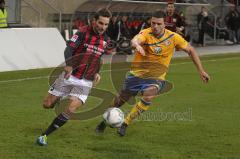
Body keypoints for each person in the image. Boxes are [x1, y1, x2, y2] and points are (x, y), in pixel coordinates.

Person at [95, 10, 210, 137]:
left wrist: (201, 70)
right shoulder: (146, 33)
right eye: (153, 23)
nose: (155, 26)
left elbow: (190, 50)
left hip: (156, 77)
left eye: (158, 24)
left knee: (149, 95)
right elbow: (136, 39)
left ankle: (125, 123)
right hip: (136, 75)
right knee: (120, 101)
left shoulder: (173, 37)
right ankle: (104, 121)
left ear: (164, 24)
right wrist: (136, 45)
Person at [36, 8, 112, 146]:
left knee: (71, 108)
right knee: (47, 104)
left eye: (106, 24)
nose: (103, 27)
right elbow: (69, 49)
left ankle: (44, 136)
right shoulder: (83, 32)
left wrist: (97, 72)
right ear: (94, 21)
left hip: (86, 82)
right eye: (101, 23)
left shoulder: (106, 40)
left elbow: (98, 58)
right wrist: (69, 65)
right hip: (70, 75)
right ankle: (61, 97)